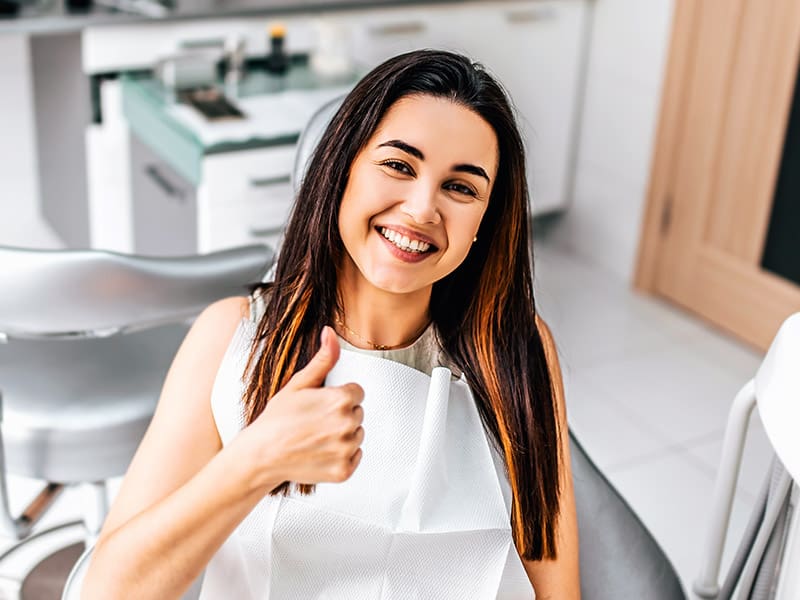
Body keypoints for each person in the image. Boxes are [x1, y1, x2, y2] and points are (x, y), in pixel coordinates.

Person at [82, 49, 580, 599]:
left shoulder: (513, 347)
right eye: (398, 165)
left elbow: (553, 581)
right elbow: (110, 590)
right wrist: (255, 459)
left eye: (460, 187)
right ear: (341, 169)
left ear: (485, 221)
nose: (421, 209)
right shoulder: (233, 340)